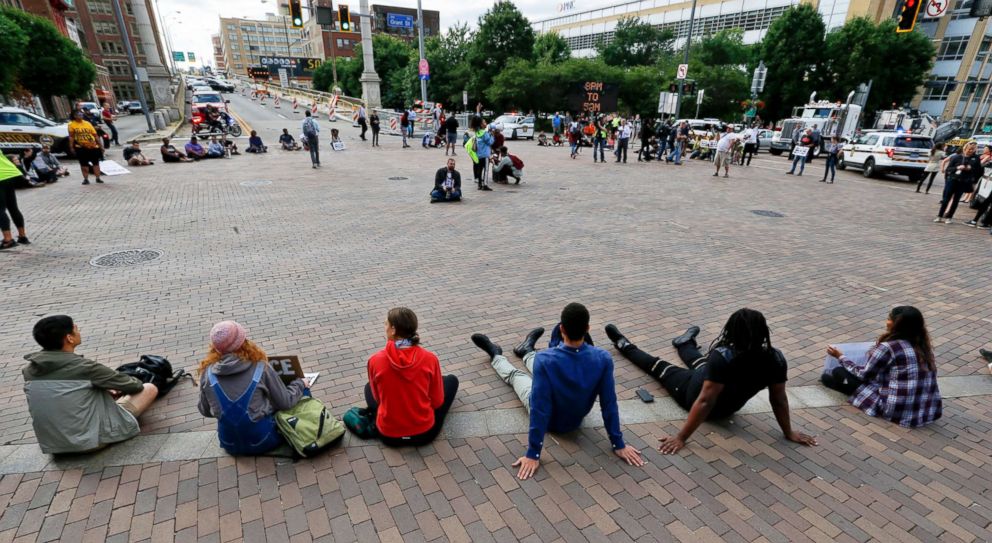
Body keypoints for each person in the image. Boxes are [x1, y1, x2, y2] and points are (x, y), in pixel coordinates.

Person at [605, 309, 818, 454]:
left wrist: (681, 437)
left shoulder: (724, 356)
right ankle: (684, 342)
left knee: (658, 366)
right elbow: (778, 399)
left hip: (692, 393)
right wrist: (788, 432)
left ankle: (624, 344)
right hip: (726, 404)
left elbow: (705, 401)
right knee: (702, 363)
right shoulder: (775, 358)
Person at [470, 303, 644, 480]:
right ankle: (526, 350)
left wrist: (533, 453)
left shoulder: (546, 359)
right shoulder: (603, 358)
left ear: (561, 329)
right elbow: (609, 403)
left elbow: (539, 408)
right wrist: (618, 443)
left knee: (516, 376)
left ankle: (496, 355)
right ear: (587, 328)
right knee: (540, 364)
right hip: (574, 418)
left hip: (551, 421)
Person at [23, 315, 160, 454]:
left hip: (54, 445)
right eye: (75, 328)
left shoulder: (29, 371)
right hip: (90, 442)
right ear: (69, 338)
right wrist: (106, 385)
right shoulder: (85, 367)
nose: (78, 331)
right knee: (149, 388)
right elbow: (135, 386)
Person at [198, 321, 308, 455]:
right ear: (243, 342)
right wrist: (301, 383)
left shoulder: (207, 373)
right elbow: (285, 403)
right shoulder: (261, 368)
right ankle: (307, 433)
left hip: (229, 443)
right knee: (301, 389)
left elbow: (205, 411)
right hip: (263, 440)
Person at [823, 306, 942, 428]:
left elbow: (863, 375)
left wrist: (840, 357)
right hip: (925, 408)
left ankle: (844, 388)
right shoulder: (923, 346)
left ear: (898, 325)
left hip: (896, 409)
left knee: (838, 372)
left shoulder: (888, 347)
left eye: (890, 319)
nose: (887, 322)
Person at [366, 308, 459, 447]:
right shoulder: (430, 359)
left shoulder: (374, 361)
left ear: (393, 329)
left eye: (385, 324)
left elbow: (378, 399)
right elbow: (437, 402)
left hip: (388, 436)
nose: (384, 327)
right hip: (424, 434)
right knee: (451, 380)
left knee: (369, 387)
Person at [935, 141, 982, 224]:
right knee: (946, 199)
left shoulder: (975, 159)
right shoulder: (956, 157)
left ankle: (949, 217)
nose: (970, 151)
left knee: (956, 200)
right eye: (969, 149)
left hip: (963, 182)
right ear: (965, 148)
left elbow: (977, 170)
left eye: (973, 149)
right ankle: (939, 216)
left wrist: (969, 169)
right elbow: (949, 169)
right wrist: (957, 168)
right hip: (952, 180)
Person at [68, 109, 104, 185]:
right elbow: (71, 137)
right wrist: (71, 147)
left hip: (93, 146)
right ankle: (86, 179)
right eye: (78, 114)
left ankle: (98, 178)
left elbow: (95, 135)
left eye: (81, 114)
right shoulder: (71, 125)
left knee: (96, 163)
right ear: (74, 116)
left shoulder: (87, 123)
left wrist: (100, 145)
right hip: (81, 147)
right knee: (84, 164)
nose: (80, 115)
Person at [0, 153, 29, 250]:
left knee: (0, 210)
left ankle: (8, 240)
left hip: (1, 176)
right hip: (11, 174)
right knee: (13, 207)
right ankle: (22, 236)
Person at [466, 115, 494, 191]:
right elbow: (490, 142)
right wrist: (492, 135)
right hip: (485, 155)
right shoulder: (484, 133)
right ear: (481, 125)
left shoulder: (477, 133)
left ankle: (479, 185)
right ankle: (485, 185)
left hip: (479, 155)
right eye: (484, 122)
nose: (486, 123)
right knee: (486, 170)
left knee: (480, 169)